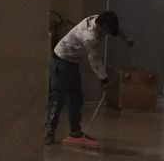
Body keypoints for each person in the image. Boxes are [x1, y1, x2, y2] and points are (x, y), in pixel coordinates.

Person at [46, 10, 128, 144]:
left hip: (73, 63)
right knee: (57, 100)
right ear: (103, 26)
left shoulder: (97, 19)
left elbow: (114, 28)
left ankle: (75, 132)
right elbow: (94, 59)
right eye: (107, 31)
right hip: (61, 62)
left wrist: (125, 38)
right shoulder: (89, 36)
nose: (107, 34)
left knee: (76, 99)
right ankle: (49, 133)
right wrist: (104, 80)